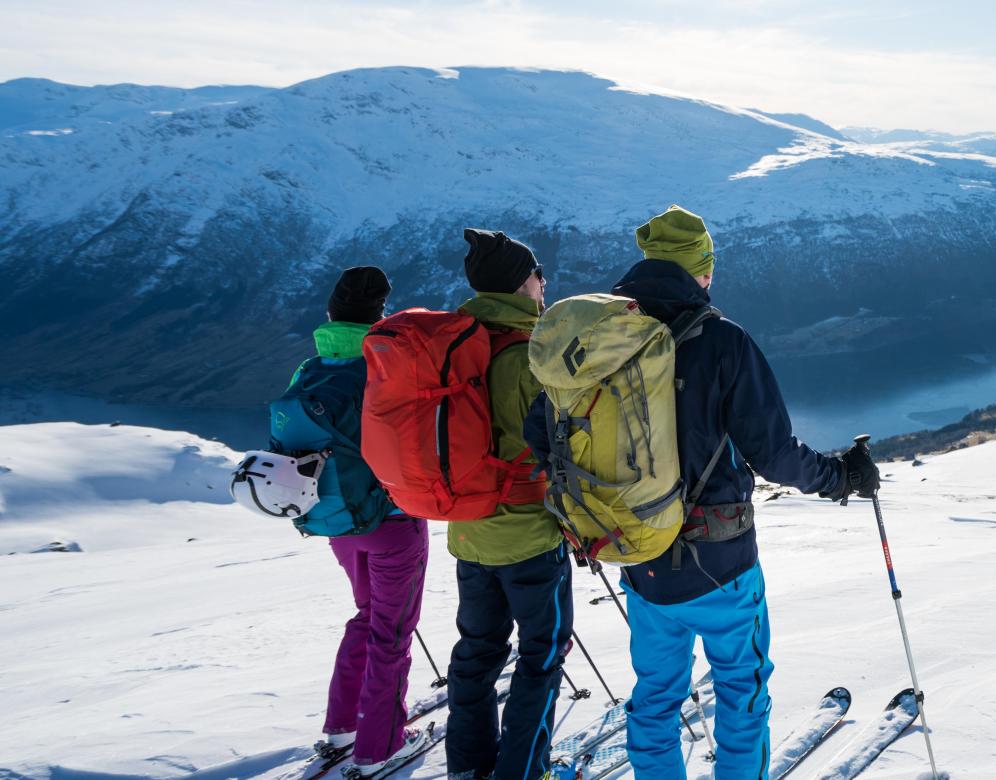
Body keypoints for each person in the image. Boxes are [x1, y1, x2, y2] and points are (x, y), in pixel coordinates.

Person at [603, 205, 880, 779]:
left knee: (654, 695)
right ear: (700, 269)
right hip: (720, 562)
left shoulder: (603, 338)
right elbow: (776, 453)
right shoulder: (722, 341)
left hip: (638, 554)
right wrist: (842, 478)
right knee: (741, 689)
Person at [290, 268, 433, 775]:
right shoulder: (386, 364)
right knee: (393, 631)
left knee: (367, 615)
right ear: (380, 317)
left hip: (335, 521)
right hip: (392, 519)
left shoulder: (309, 371)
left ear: (330, 317)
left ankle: (341, 727)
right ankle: (380, 746)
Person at [443, 230, 574, 780]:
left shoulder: (452, 350)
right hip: (528, 536)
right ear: (524, 284)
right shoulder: (529, 358)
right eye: (539, 276)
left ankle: (468, 769)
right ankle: (523, 771)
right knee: (541, 654)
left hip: (468, 532)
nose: (544, 286)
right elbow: (562, 448)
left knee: (476, 654)